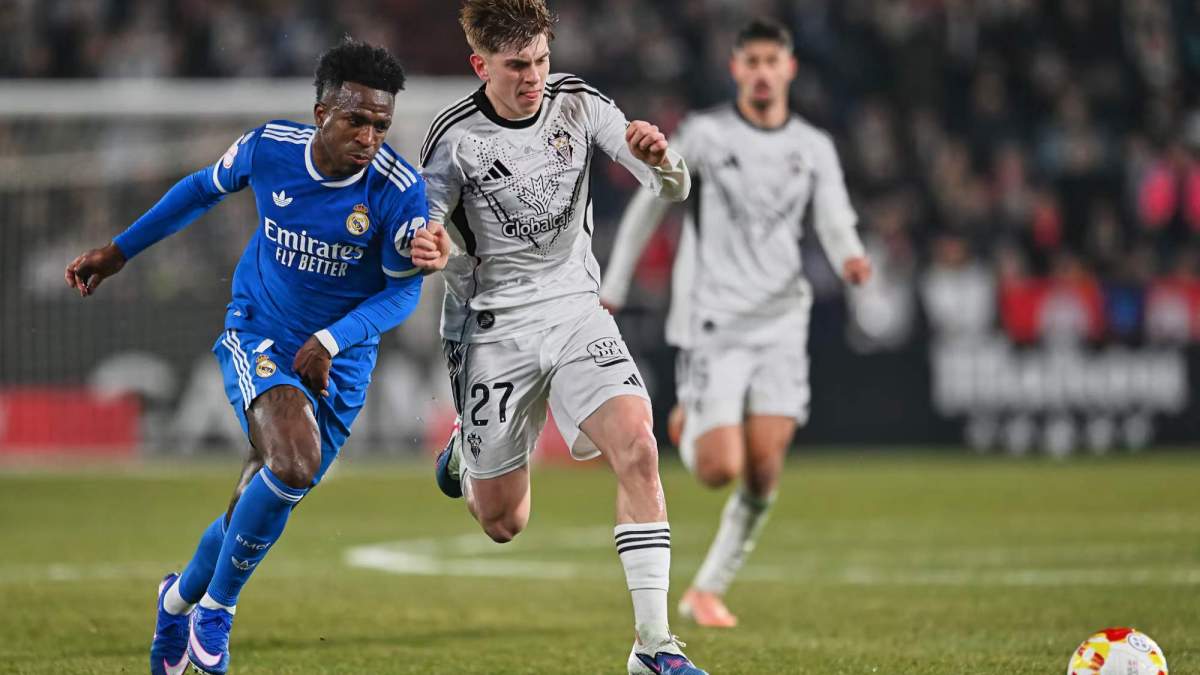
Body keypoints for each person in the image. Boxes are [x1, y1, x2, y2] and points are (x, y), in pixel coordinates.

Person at [64, 39, 450, 675]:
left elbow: (402, 292)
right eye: (356, 119)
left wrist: (333, 340)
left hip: (339, 359)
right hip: (262, 332)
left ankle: (177, 601)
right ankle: (217, 612)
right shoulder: (269, 147)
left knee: (256, 498)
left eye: (381, 125)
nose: (369, 137)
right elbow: (198, 191)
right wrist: (120, 250)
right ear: (322, 112)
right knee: (293, 463)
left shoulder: (397, 189)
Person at [421, 1, 704, 673]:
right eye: (517, 65)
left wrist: (662, 159)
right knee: (503, 521)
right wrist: (426, 245)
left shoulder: (577, 103)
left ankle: (654, 646)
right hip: (493, 327)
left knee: (639, 446)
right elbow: (421, 230)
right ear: (481, 65)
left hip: (577, 309)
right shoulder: (453, 139)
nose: (533, 77)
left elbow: (674, 188)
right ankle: (469, 453)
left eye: (542, 60)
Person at [600, 18, 872, 629]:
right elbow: (651, 203)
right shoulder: (706, 134)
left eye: (772, 62)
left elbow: (833, 218)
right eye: (752, 62)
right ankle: (691, 420)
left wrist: (850, 256)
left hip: (782, 320)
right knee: (719, 469)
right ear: (736, 69)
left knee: (766, 466)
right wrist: (615, 283)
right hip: (715, 321)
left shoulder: (813, 146)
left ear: (789, 69)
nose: (762, 73)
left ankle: (707, 590)